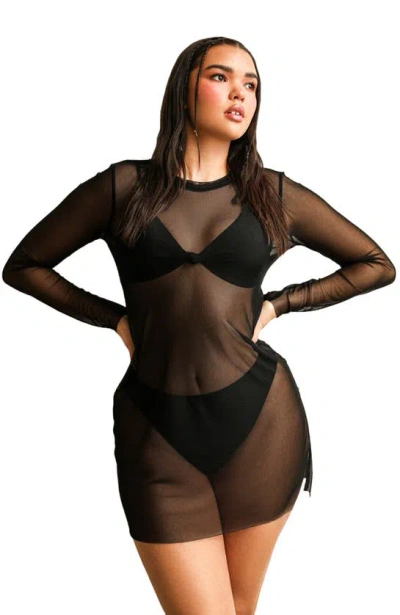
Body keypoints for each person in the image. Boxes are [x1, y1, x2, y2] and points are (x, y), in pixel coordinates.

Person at [2, 36, 396, 615]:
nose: (240, 93)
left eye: (251, 84)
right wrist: (114, 319)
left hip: (260, 423)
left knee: (238, 608)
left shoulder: (273, 194)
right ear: (184, 88)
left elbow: (376, 264)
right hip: (156, 431)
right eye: (220, 77)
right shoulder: (124, 187)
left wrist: (280, 304)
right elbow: (24, 266)